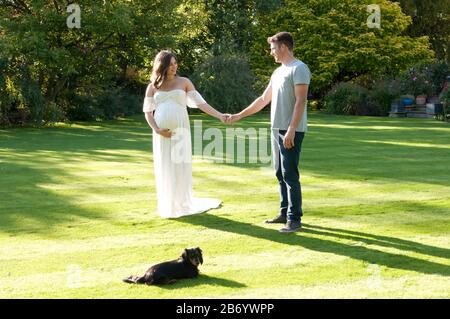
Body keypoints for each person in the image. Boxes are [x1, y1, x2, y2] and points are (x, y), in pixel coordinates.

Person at [227, 32, 311, 232]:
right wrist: (239, 115)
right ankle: (284, 213)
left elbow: (301, 101)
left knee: (290, 174)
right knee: (280, 173)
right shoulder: (278, 72)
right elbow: (263, 99)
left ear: (283, 47)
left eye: (273, 48)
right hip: (276, 128)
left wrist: (291, 130)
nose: (271, 52)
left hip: (291, 129)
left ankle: (294, 219)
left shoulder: (299, 68)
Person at [143, 50, 227, 218]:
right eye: (171, 64)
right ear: (162, 65)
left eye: (175, 63)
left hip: (181, 130)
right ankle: (168, 204)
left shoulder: (184, 82)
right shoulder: (153, 86)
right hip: (161, 134)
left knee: (180, 165)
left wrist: (220, 115)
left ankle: (181, 203)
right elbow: (148, 112)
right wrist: (157, 130)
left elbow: (201, 104)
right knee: (165, 165)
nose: (175, 67)